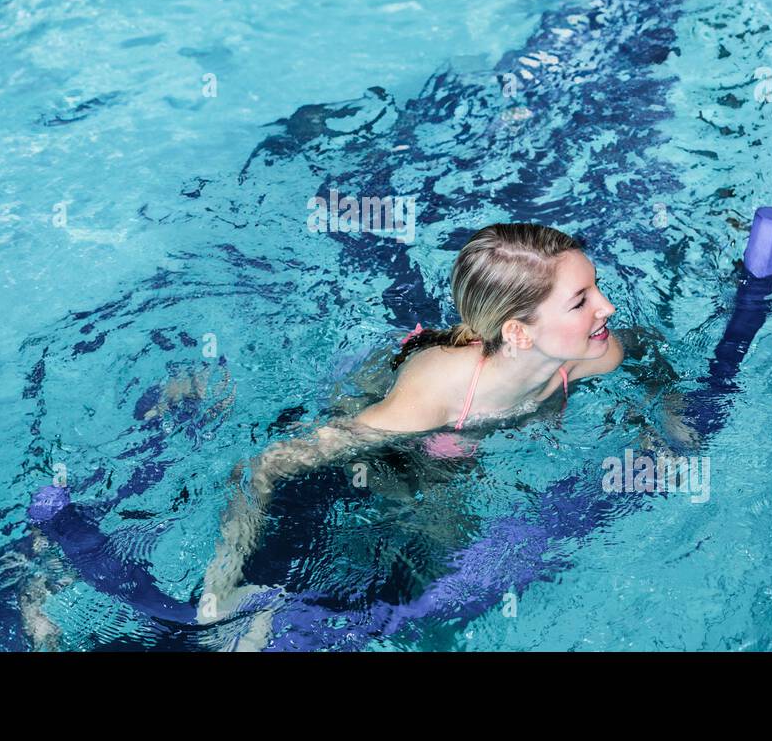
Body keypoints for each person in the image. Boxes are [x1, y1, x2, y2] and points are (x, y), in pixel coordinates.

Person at [199, 222, 626, 649]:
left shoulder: (596, 356)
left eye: (597, 288)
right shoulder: (432, 396)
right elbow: (264, 465)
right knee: (421, 554)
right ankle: (258, 609)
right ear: (518, 332)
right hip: (395, 434)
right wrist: (221, 584)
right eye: (581, 301)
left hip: (459, 447)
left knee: (453, 571)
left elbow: (648, 355)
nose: (605, 307)